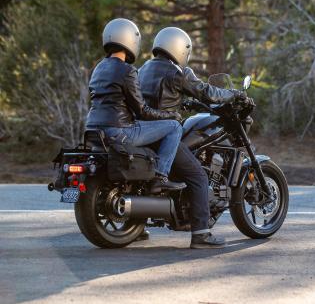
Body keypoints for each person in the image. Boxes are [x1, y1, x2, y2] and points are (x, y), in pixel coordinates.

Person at [138, 27, 246, 249]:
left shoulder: (143, 70)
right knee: (198, 176)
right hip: (165, 137)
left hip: (142, 134)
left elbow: (157, 99)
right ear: (180, 48)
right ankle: (201, 235)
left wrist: (184, 102)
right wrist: (233, 94)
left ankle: (137, 227)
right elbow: (207, 92)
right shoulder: (178, 72)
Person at [85, 18, 184, 193]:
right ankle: (160, 177)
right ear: (131, 40)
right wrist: (172, 115)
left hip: (92, 131)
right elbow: (142, 111)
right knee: (174, 127)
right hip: (119, 131)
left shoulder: (98, 68)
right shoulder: (127, 70)